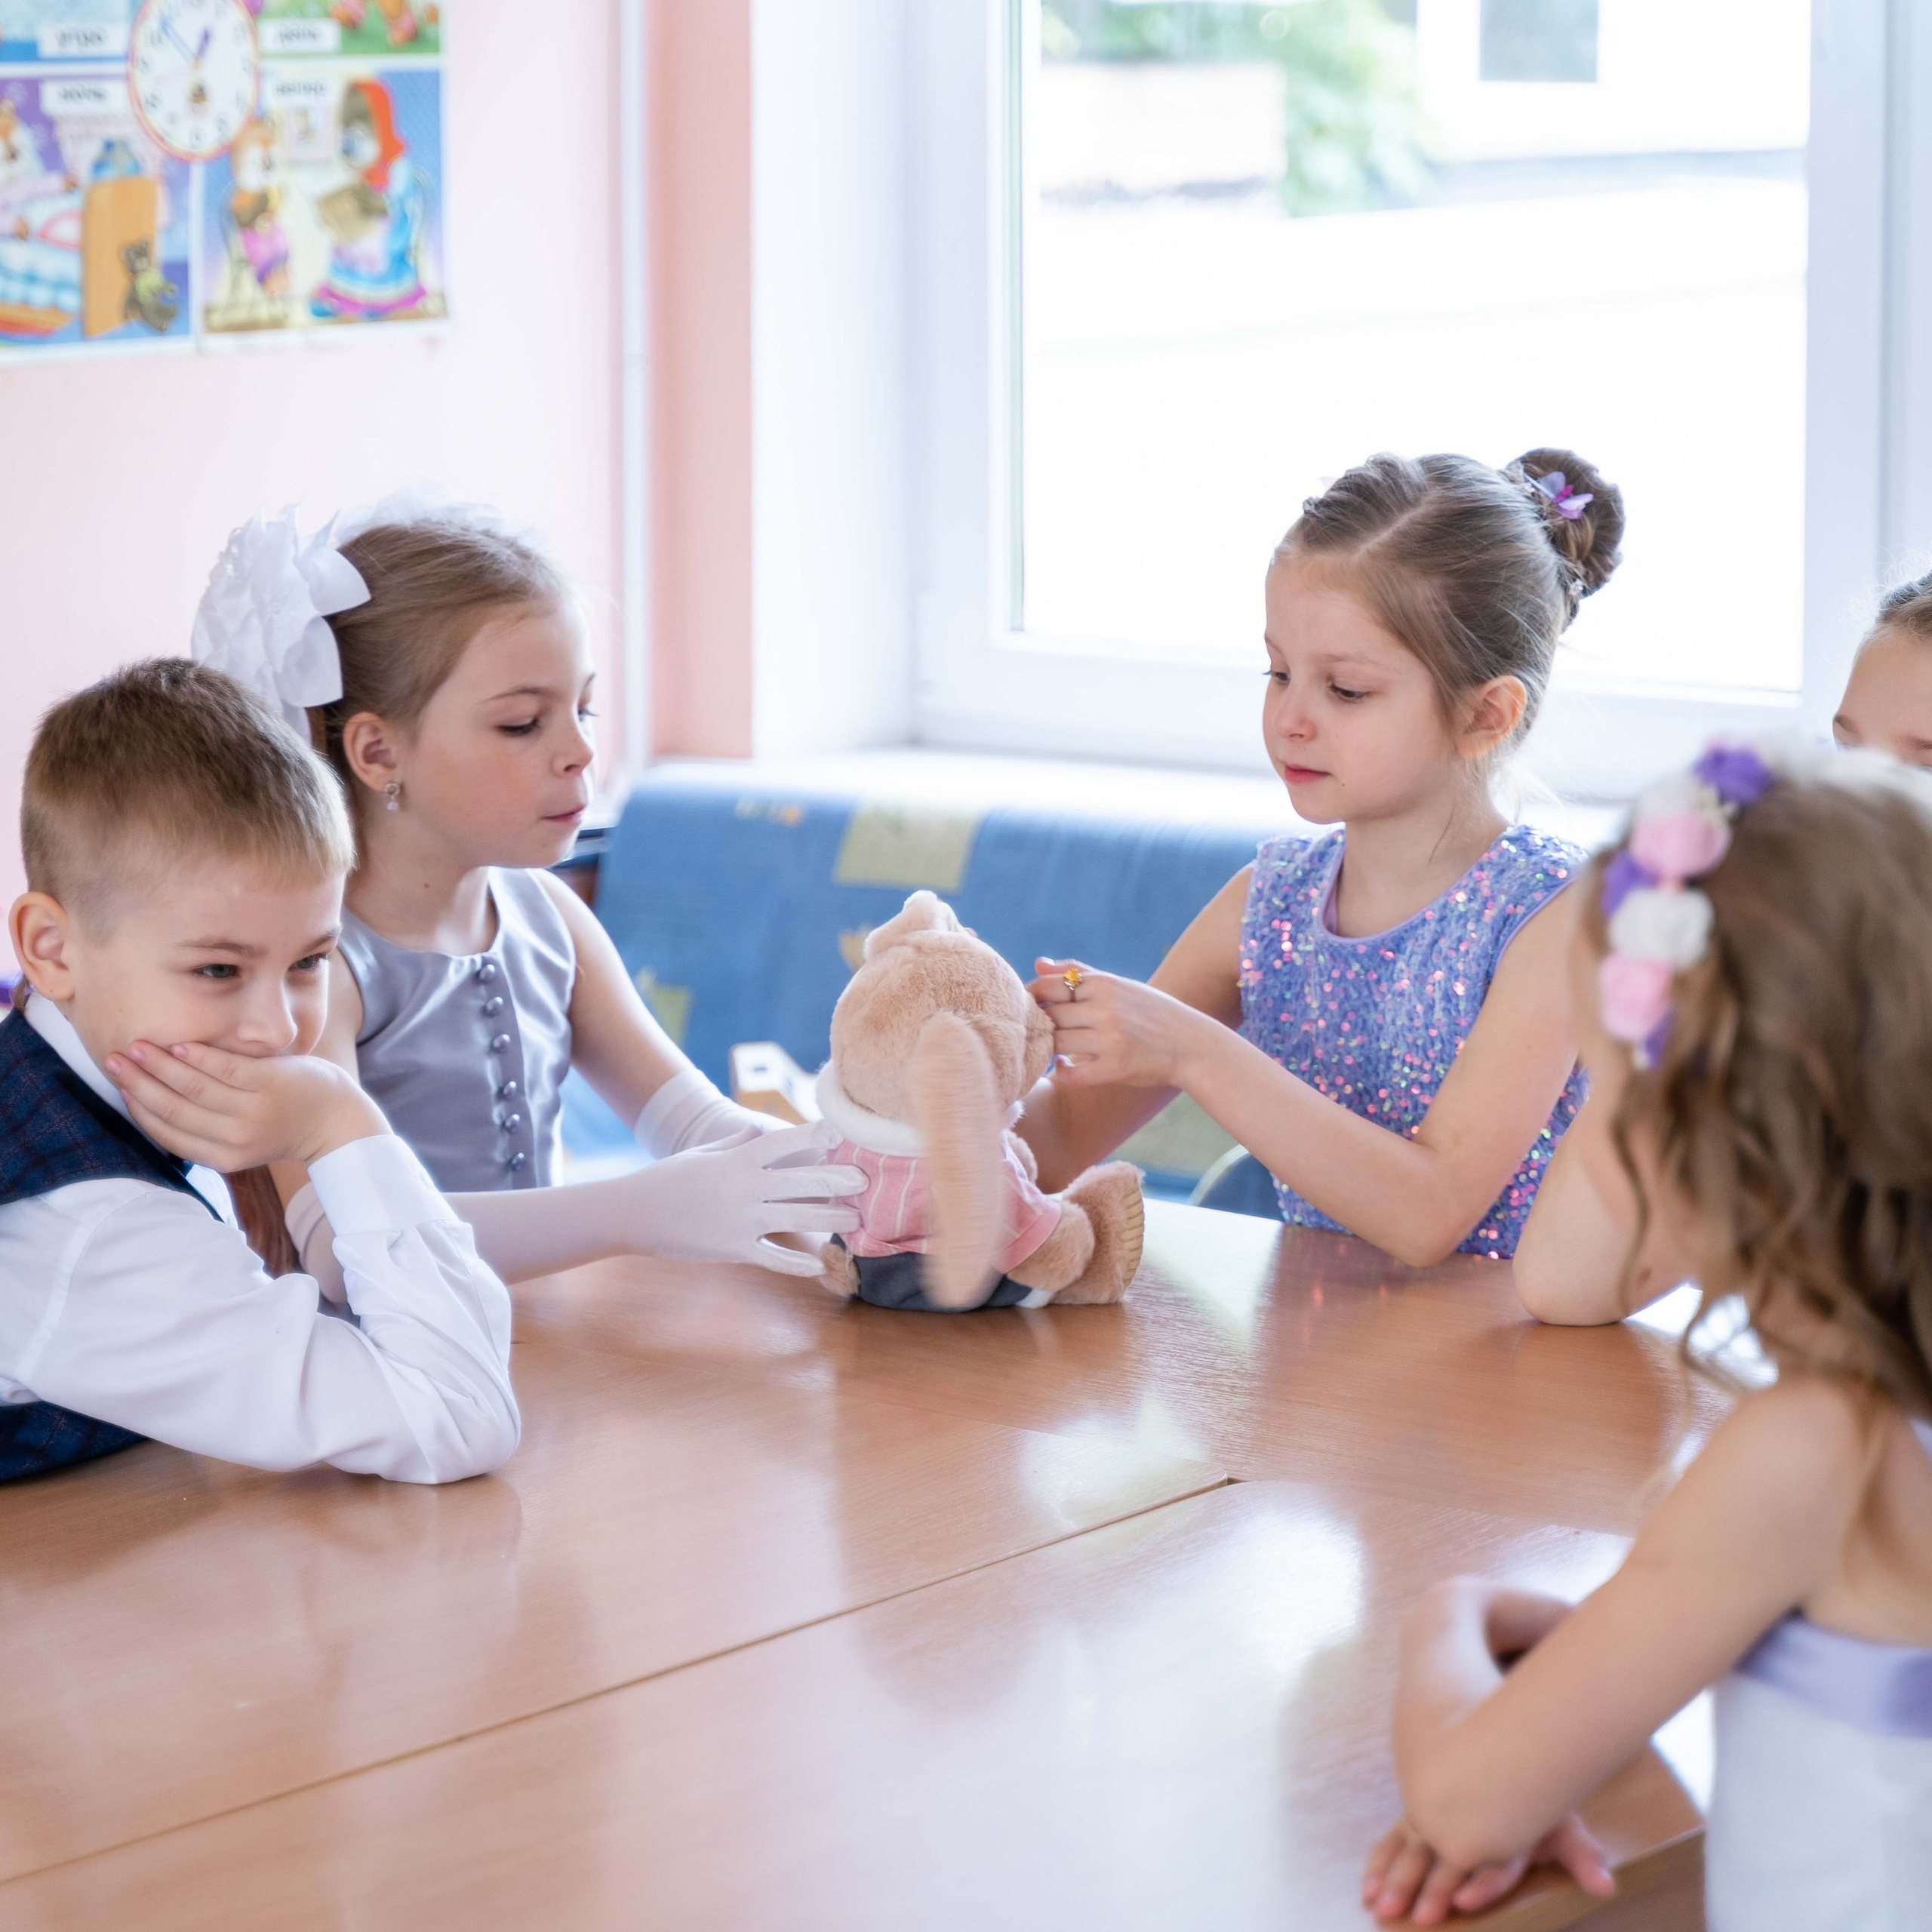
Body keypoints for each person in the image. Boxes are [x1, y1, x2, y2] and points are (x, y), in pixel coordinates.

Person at [1363, 745, 1932, 1928]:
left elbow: (1468, 1807)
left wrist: (1448, 1612)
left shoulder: (1813, 1446)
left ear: (1685, 1134)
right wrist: (1598, 1658)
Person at [190, 501, 861, 1288]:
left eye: (584, 708)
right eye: (521, 724)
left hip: (544, 1347)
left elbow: (696, 1124)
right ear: (376, 751)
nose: (579, 751)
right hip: (392, 1375)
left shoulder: (550, 918)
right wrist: (632, 1212)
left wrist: (871, 1179)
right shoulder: (316, 969)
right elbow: (344, 1256)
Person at [1022, 449, 1623, 1265]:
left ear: (1486, 714)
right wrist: (905, 1122)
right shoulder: (1265, 902)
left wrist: (1192, 1048)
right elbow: (1057, 1137)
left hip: (1511, 1368)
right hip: (1315, 1358)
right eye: (1277, 672)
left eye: (1344, 690)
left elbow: (1428, 1211)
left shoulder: (1555, 917)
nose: (1290, 719)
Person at [0, 660, 518, 1484]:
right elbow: (460, 1415)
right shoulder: (90, 1226)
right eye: (217, 971)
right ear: (52, 950)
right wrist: (341, 1123)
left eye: (311, 960)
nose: (280, 1029)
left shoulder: (70, 1088)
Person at [1517, 566, 1932, 1324]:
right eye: (1847, 756)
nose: (1859, 802)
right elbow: (1564, 1283)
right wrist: (1656, 1028)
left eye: (1924, 766)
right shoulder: (1820, 1000)